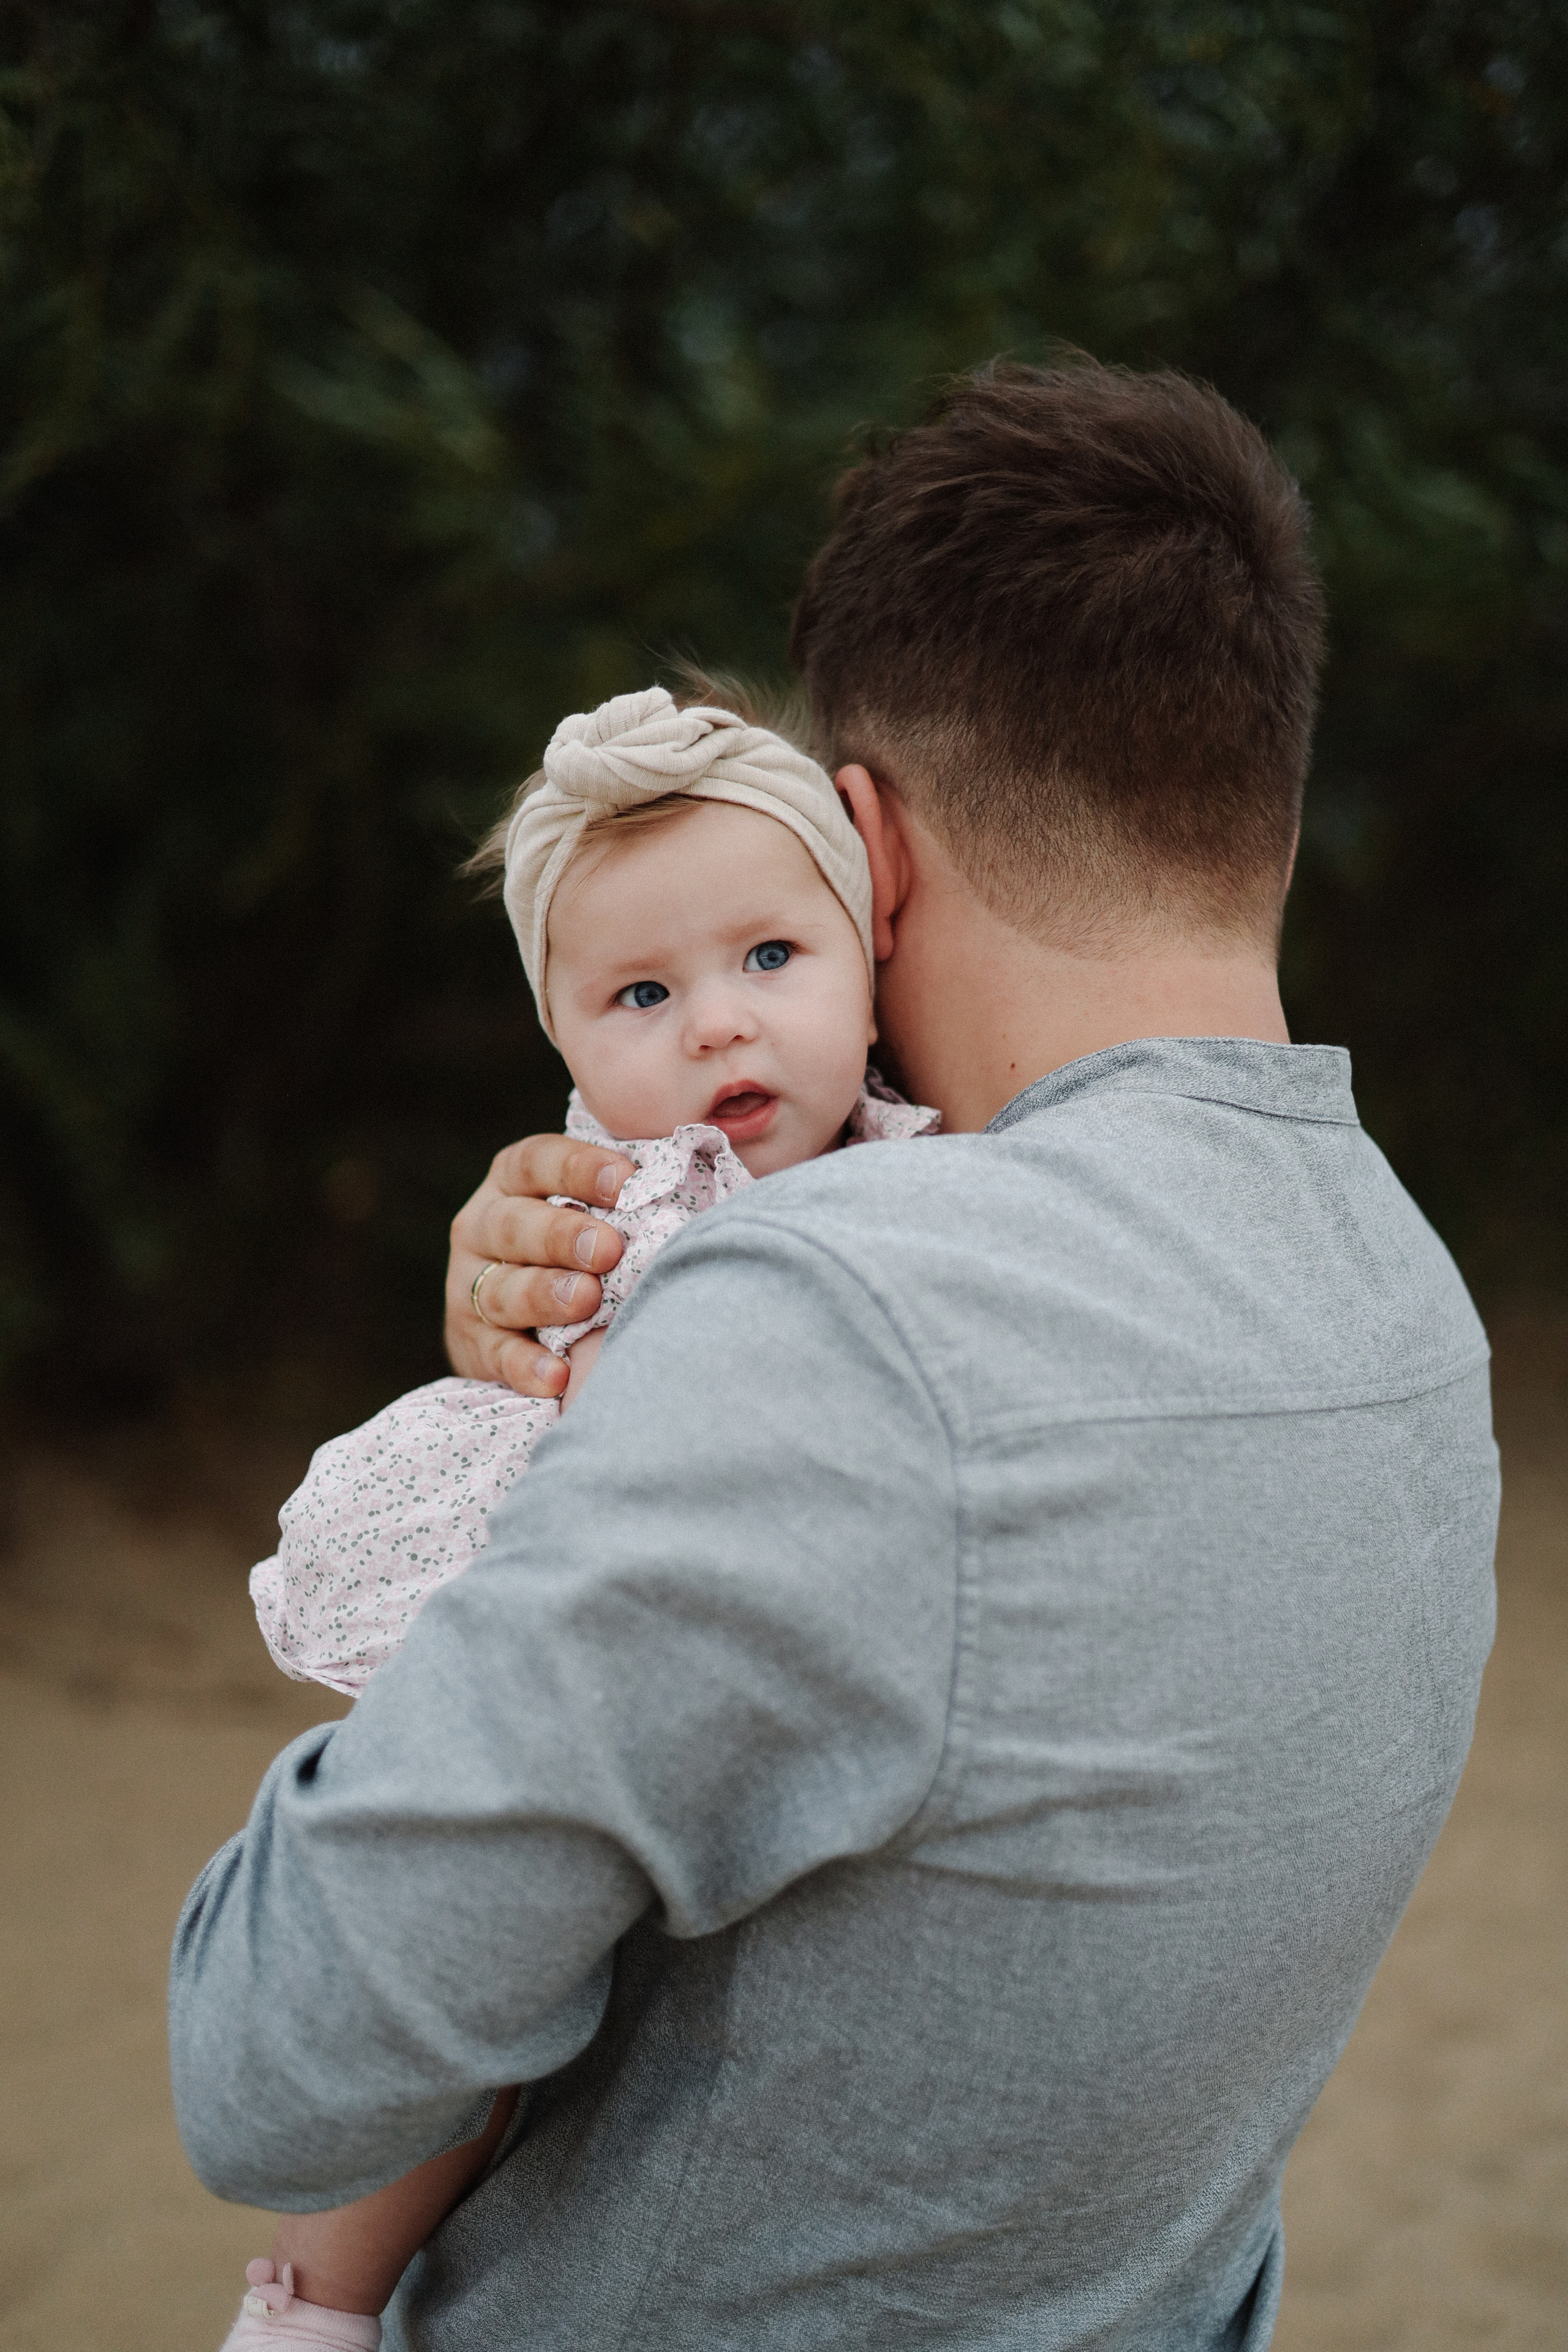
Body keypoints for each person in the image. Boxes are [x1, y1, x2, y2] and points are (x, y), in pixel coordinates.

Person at [171, 360, 1499, 2352]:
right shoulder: (1412, 1316)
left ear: (863, 845)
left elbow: (274, 2068)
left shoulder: (843, 1321)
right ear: (1263, 800)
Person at [219, 684, 937, 2348]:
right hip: (572, 1663)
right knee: (467, 1990)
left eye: (773, 957)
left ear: (868, 949)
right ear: (563, 1042)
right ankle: (316, 2304)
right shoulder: (620, 1205)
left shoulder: (937, 1161)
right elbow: (631, 1439)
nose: (719, 1026)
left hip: (764, 1687)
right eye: (642, 994)